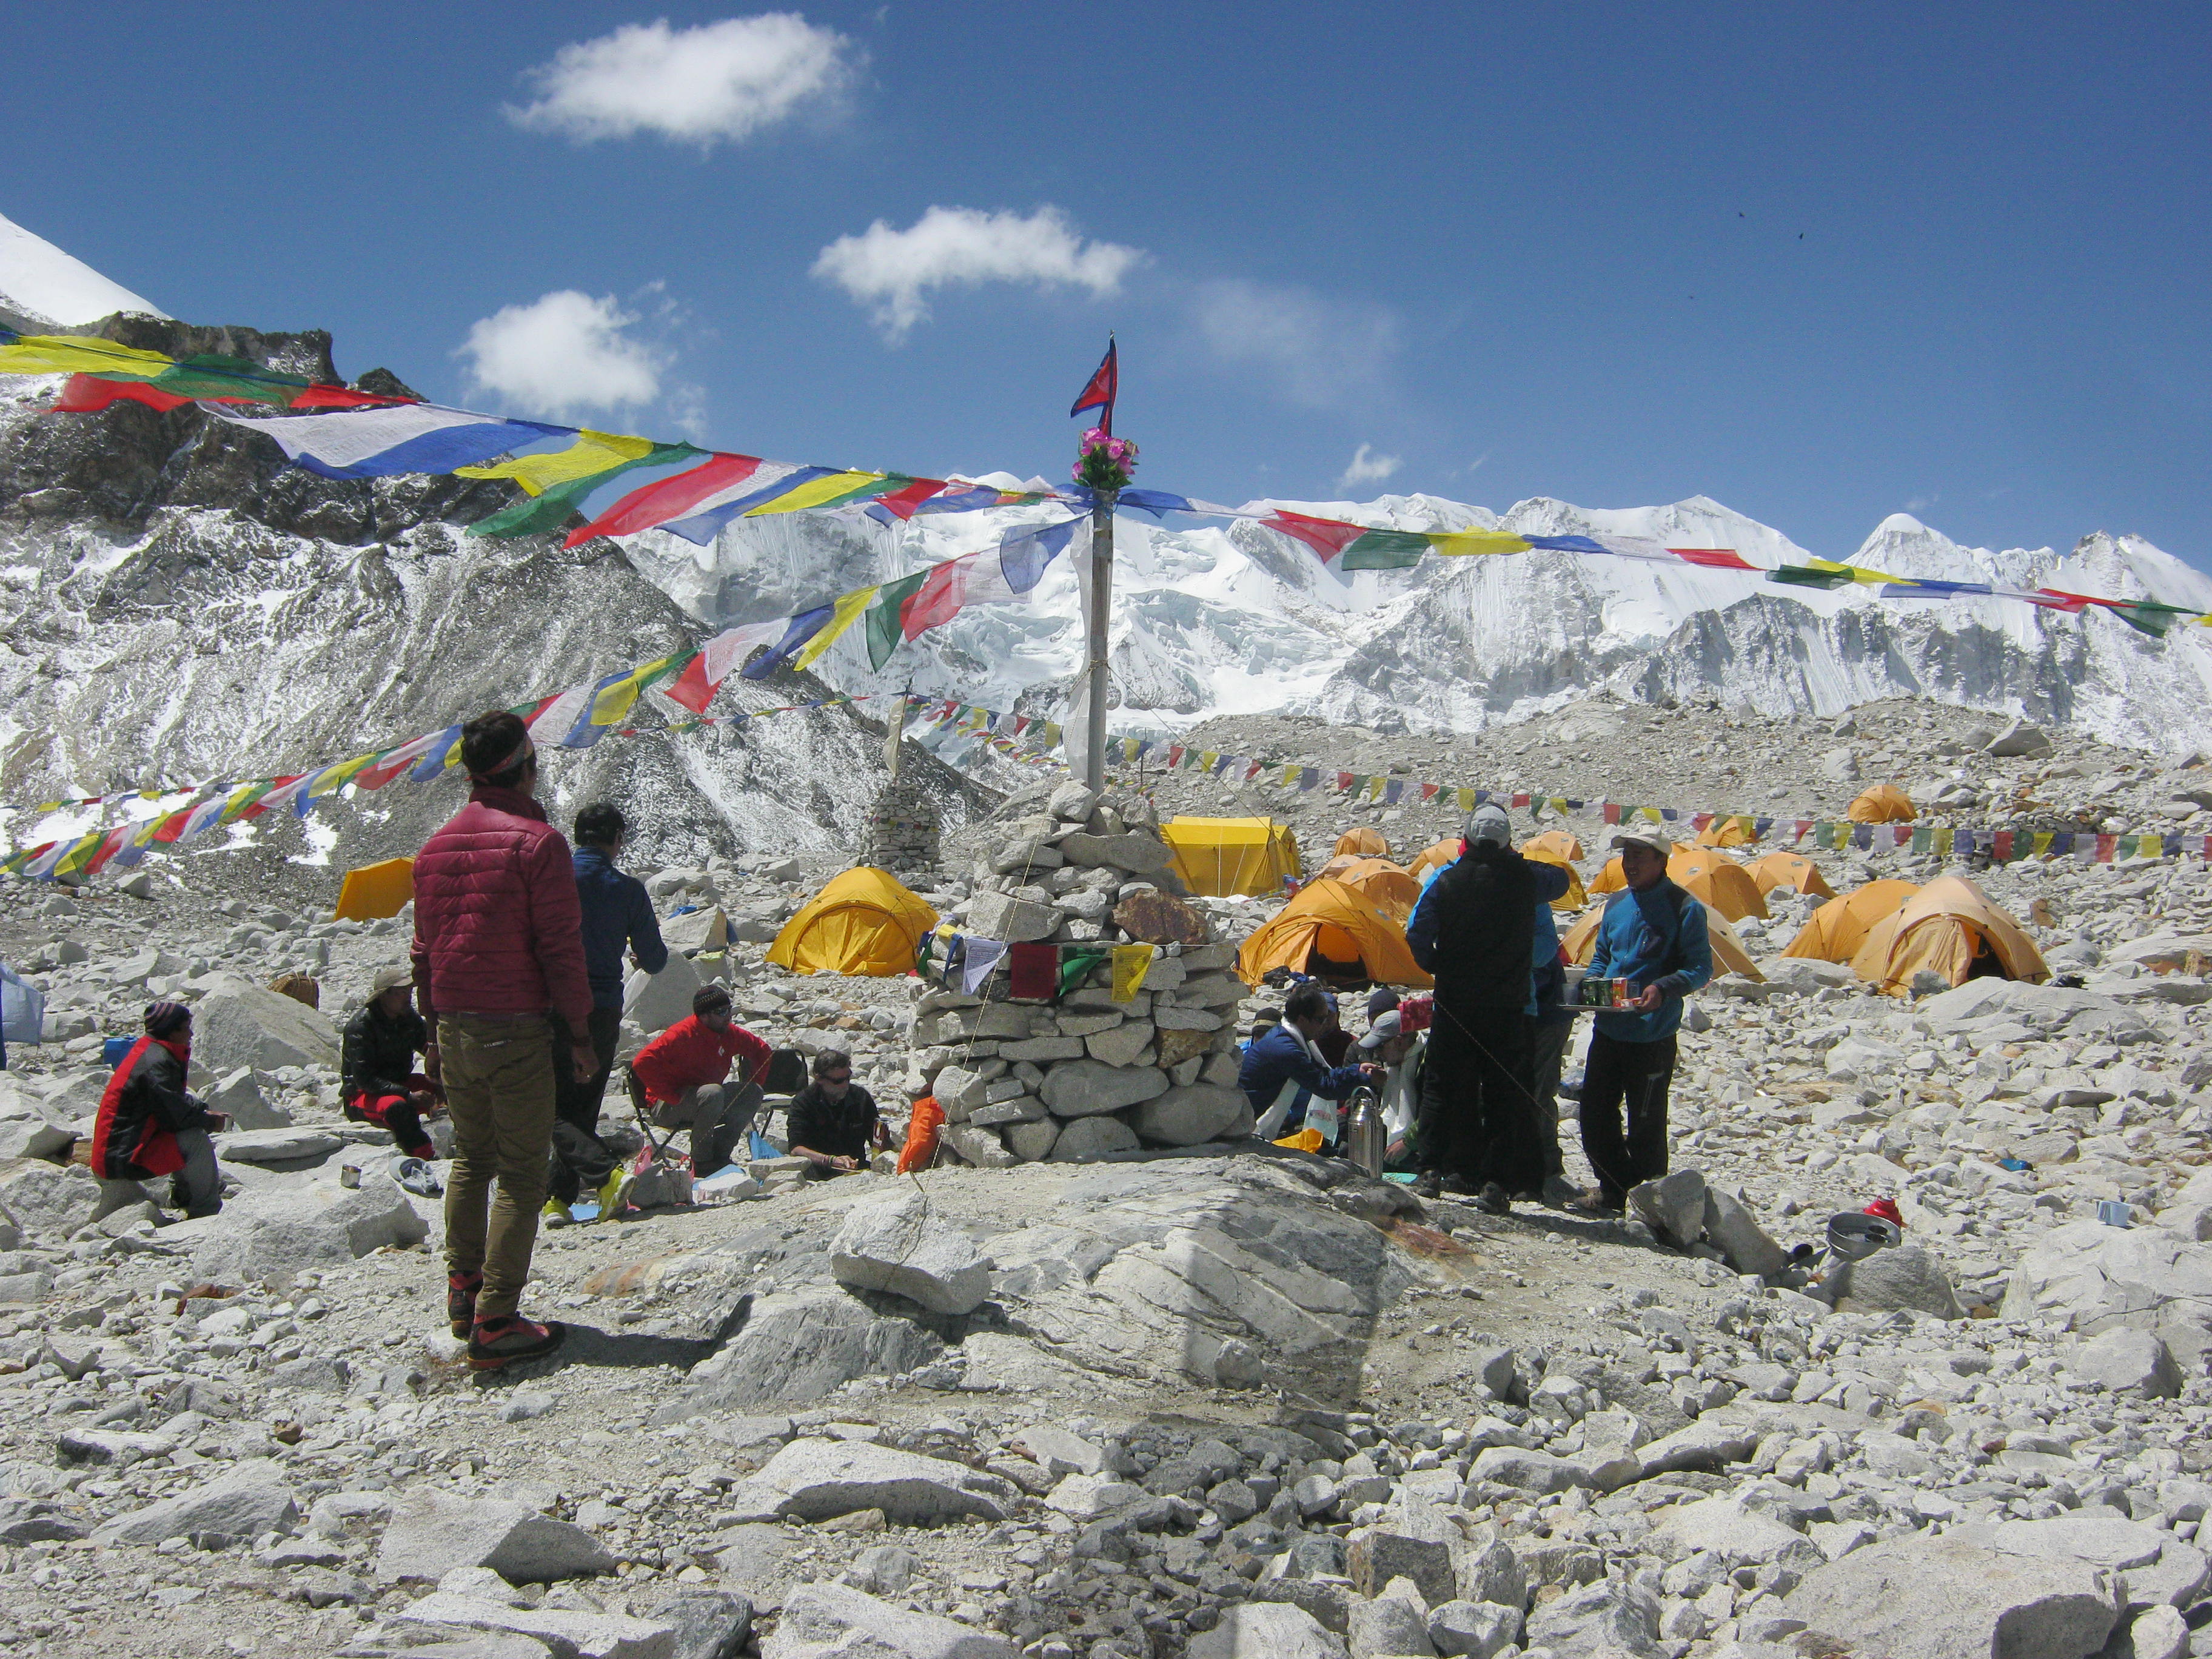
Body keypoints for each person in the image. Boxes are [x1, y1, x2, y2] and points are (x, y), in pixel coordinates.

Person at [411, 709, 595, 1370]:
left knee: (472, 1160)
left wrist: (432, 1034)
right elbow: (559, 949)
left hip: (454, 1025)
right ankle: (497, 1318)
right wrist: (579, 1030)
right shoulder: (537, 844)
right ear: (526, 765)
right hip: (514, 1025)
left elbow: (424, 953)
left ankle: (463, 1291)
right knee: (520, 1173)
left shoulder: (432, 849)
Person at [1405, 804, 1569, 1213]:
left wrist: (1436, 964)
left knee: (1443, 1086)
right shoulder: (1527, 881)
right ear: (1507, 840)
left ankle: (1430, 1170)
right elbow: (1562, 880)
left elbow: (1416, 933)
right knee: (1504, 1094)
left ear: (1468, 839)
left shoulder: (1446, 880)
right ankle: (1496, 1183)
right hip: (1509, 1006)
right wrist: (1518, 860)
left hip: (1457, 1003)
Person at [1570, 833, 1712, 1217]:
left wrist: (1663, 989)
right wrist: (1593, 988)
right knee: (1595, 1114)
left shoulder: (1684, 908)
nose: (1630, 864)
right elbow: (1602, 956)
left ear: (1661, 860)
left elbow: (1700, 968)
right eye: (1626, 856)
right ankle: (1614, 1190)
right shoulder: (1616, 904)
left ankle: (1651, 1207)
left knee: (1646, 1122)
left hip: (1653, 1035)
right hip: (1610, 1029)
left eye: (1639, 857)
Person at [548, 802, 666, 1220]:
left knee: (549, 1104)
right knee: (581, 1103)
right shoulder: (627, 889)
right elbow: (655, 959)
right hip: (600, 1005)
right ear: (617, 838)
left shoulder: (552, 881)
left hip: (549, 1002)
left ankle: (560, 1199)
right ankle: (597, 1180)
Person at [90, 1002, 227, 1218]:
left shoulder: (150, 1050)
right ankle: (205, 1210)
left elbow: (172, 1100)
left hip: (116, 1150)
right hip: (121, 1158)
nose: (190, 1034)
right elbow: (175, 1118)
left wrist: (202, 1110)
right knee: (195, 1138)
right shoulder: (157, 1062)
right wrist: (211, 1122)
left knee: (190, 1128)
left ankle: (184, 1196)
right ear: (171, 1032)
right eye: (185, 1028)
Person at [629, 984, 771, 1178]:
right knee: (712, 1093)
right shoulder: (681, 1034)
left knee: (752, 1092)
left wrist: (753, 1081)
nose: (728, 1016)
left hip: (707, 1099)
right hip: (669, 1106)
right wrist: (670, 1096)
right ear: (704, 1016)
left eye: (729, 1009)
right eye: (721, 1012)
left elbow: (762, 1050)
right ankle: (702, 1161)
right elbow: (641, 1063)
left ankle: (721, 1156)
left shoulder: (728, 1033)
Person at [1239, 982, 1383, 1145]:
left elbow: (1323, 1074)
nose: (1325, 1025)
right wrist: (1365, 1079)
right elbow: (1323, 1085)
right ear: (1302, 1019)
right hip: (1242, 1120)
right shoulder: (1285, 1048)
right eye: (1320, 1019)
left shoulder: (1289, 1036)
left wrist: (1359, 1070)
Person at [341, 965, 443, 1195]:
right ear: (384, 995)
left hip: (400, 1082)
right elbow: (364, 1079)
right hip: (362, 1093)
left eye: (409, 991)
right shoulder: (360, 1026)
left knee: (449, 1087)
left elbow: (426, 1045)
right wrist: (408, 1095)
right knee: (399, 1108)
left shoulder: (408, 1018)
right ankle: (426, 1156)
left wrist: (439, 1066)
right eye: (401, 992)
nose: (408, 997)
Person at [1527, 891, 1580, 1208]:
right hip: (1539, 1011)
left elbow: (1539, 963)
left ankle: (1547, 1167)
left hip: (1546, 1015)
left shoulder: (1533, 907)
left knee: (1538, 1090)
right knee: (1533, 1090)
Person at [786, 1049, 889, 1175]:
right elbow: (796, 1149)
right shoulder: (803, 1102)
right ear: (819, 1078)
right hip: (819, 1173)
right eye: (838, 1081)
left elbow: (876, 1139)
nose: (845, 1085)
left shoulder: (860, 1097)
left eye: (848, 1078)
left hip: (857, 1169)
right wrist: (830, 1160)